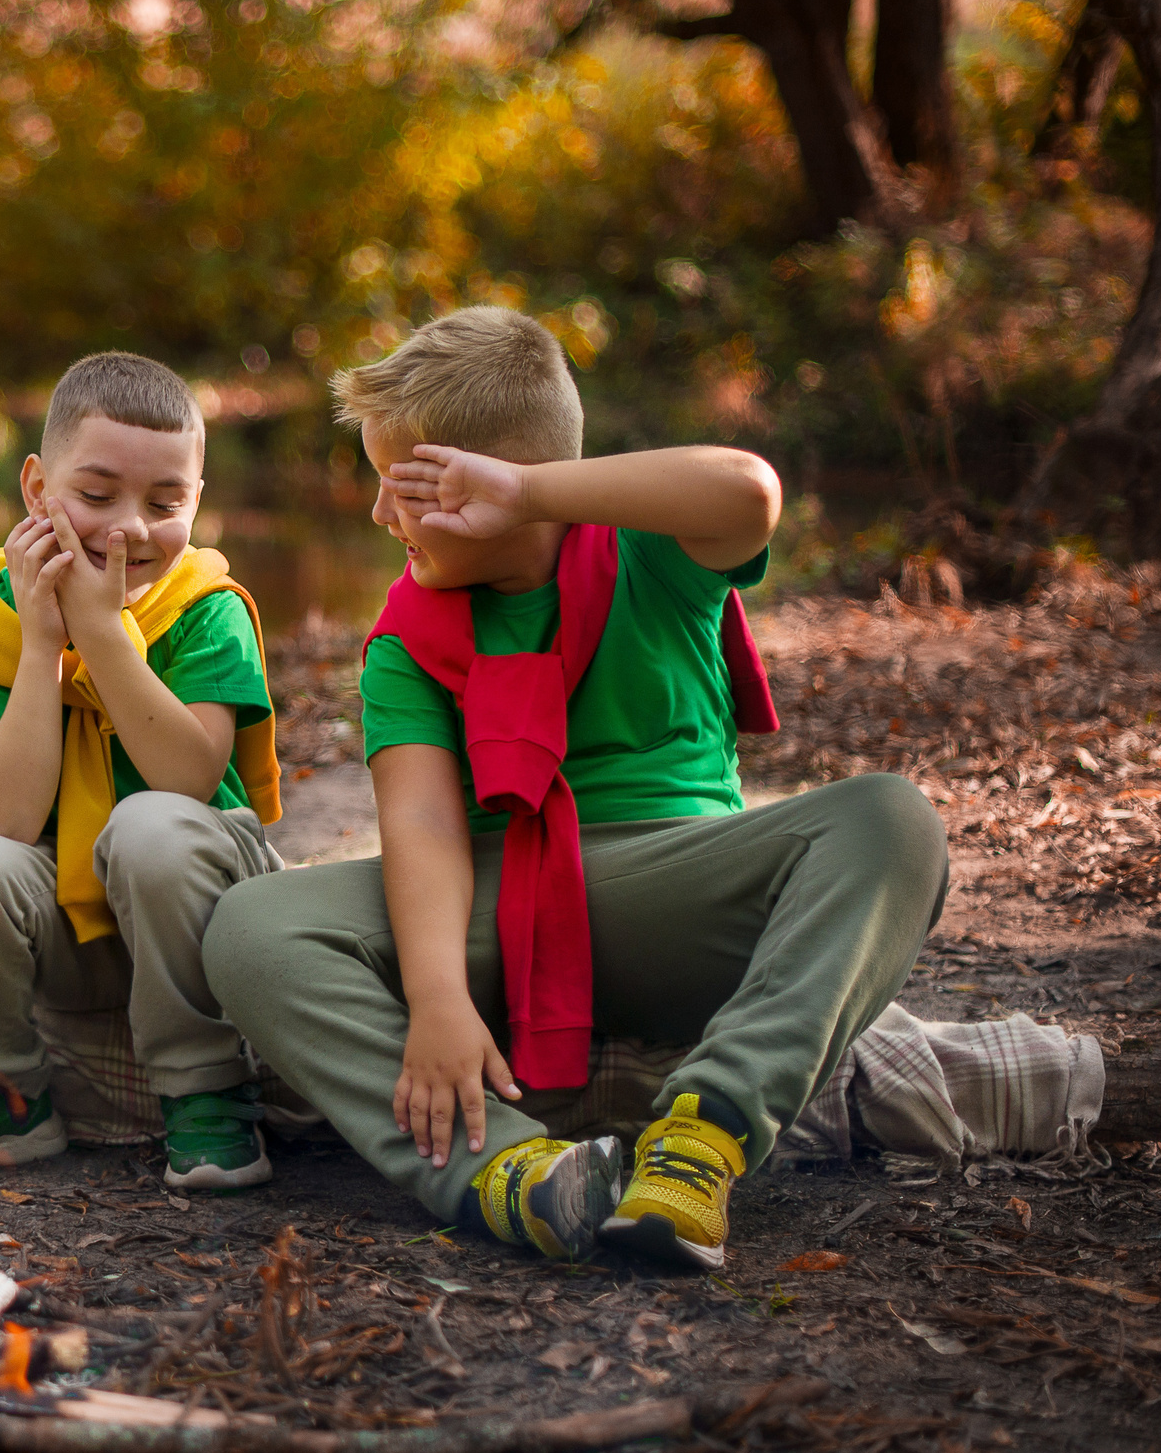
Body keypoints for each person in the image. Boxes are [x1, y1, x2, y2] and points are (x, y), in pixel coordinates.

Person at [201, 307, 949, 1269]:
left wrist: (529, 489)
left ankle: (705, 1137)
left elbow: (751, 493)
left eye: (406, 490)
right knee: (253, 925)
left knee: (891, 817)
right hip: (495, 914)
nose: (382, 517)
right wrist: (434, 998)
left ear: (494, 484)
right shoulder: (409, 636)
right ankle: (513, 1174)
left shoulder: (650, 553)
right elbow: (422, 820)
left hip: (681, 893)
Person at [0, 352, 285, 1190]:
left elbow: (186, 782)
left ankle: (205, 1089)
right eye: (96, 495)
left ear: (199, 496)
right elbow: (5, 820)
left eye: (166, 503)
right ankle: (3, 1092)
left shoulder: (208, 610)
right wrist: (47, 641)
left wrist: (105, 631)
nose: (129, 529)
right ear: (37, 488)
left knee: (151, 827)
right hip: (69, 936)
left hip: (202, 918)